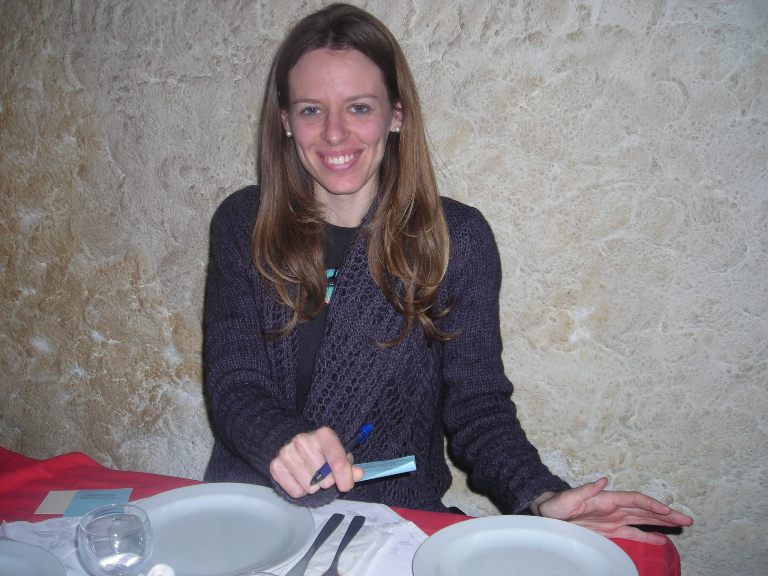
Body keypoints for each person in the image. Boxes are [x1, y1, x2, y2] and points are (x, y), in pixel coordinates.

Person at [203, 3, 692, 544]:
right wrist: (280, 438)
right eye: (312, 110)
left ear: (396, 114)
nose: (335, 134)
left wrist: (540, 494)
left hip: (390, 523)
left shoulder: (455, 239)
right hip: (249, 510)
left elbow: (477, 408)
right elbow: (234, 383)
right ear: (285, 121)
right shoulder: (243, 223)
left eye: (359, 107)